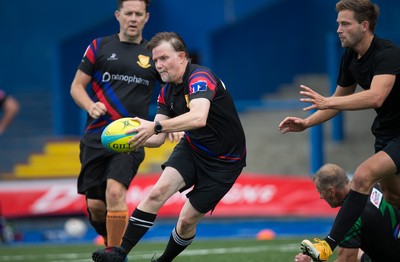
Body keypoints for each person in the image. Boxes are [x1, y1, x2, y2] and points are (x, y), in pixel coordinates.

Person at [91, 31, 247, 262]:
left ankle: (164, 260)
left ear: (182, 56)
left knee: (186, 221)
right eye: (155, 61)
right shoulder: (166, 92)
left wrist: (155, 127)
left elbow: (198, 118)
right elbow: (157, 137)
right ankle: (119, 252)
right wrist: (134, 136)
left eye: (164, 58)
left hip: (225, 163)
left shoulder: (200, 78)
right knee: (157, 192)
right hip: (193, 149)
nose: (159, 65)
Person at [279, 0, 400, 261]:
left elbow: (376, 97)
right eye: (338, 24)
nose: (339, 29)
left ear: (364, 26)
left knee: (362, 176)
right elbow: (337, 101)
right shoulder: (350, 57)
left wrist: (328, 101)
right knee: (393, 196)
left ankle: (327, 245)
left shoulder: (387, 53)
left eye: (345, 24)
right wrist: (307, 123)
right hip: (386, 134)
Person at [70, 0, 160, 250]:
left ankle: (114, 253)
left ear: (146, 18)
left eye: (138, 14)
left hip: (131, 136)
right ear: (118, 15)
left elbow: (173, 90)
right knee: (96, 208)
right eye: (128, 13)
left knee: (115, 193)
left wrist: (167, 124)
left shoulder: (154, 53)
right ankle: (112, 242)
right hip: (95, 137)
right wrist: (90, 105)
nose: (133, 18)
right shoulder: (99, 46)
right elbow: (77, 87)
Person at [293, 163, 400, 262]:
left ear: (331, 191)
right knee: (357, 252)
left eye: (321, 192)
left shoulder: (349, 220)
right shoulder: (376, 186)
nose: (321, 197)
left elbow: (347, 260)